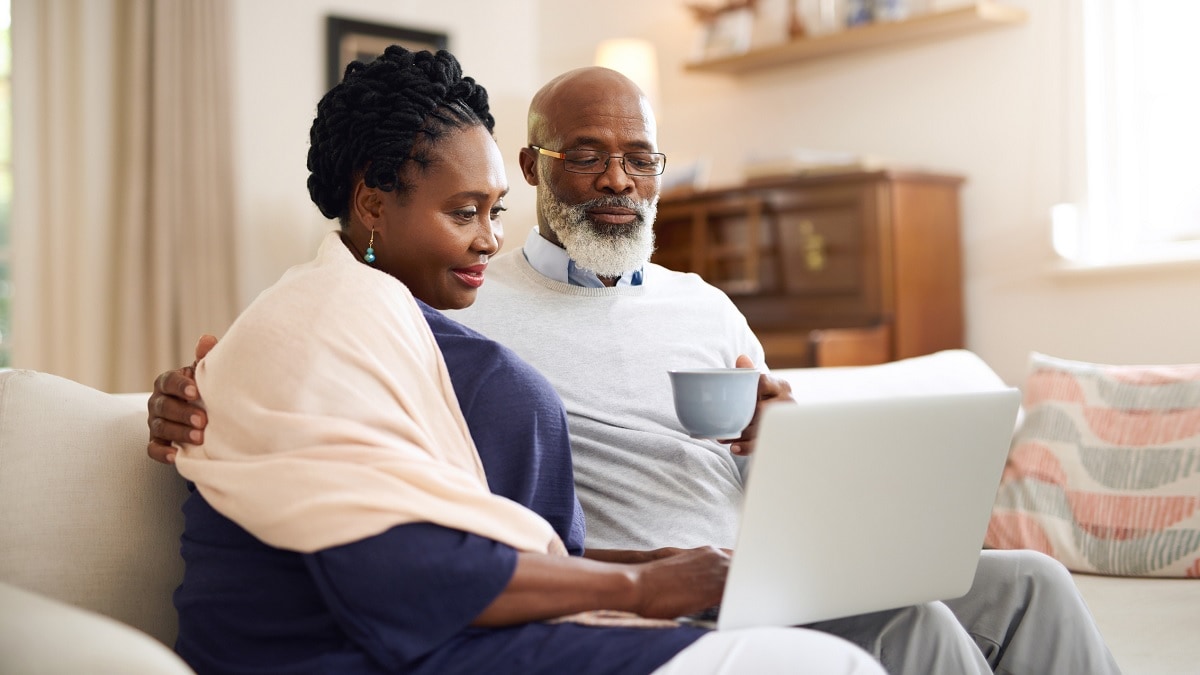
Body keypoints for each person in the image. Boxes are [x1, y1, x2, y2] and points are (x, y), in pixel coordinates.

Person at [149, 64, 1120, 674]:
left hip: (749, 551)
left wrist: (777, 437)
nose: (617, 178)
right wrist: (189, 396)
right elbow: (315, 403)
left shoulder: (703, 304)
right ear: (536, 168)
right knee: (919, 631)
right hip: (635, 575)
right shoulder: (460, 310)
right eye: (586, 155)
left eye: (642, 158)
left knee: (1031, 580)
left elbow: (759, 458)